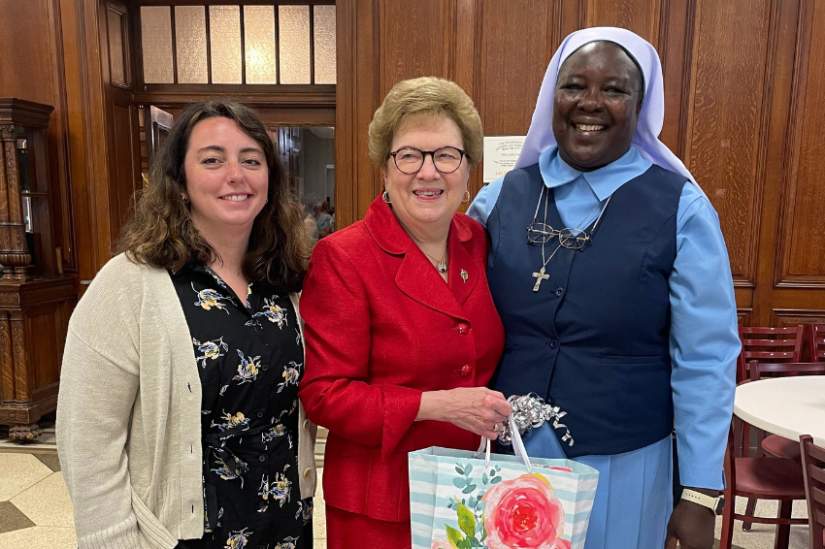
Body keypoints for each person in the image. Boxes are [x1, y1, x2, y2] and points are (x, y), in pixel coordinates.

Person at [469, 27, 740, 549]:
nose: (590, 103)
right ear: (553, 96)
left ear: (639, 105)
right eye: (574, 86)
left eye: (614, 90)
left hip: (628, 462)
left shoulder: (679, 207)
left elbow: (705, 358)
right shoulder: (498, 199)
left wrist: (701, 491)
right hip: (505, 460)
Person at [57, 101, 316, 549]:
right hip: (184, 533)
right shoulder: (130, 284)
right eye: (212, 160)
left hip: (285, 524)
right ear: (179, 183)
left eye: (251, 160)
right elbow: (88, 440)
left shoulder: (284, 281)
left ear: (270, 181)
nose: (235, 174)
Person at [298, 77, 512, 548]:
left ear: (468, 168)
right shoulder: (344, 256)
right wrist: (438, 405)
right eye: (410, 155)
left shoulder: (477, 243)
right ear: (385, 170)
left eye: (445, 155)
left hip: (471, 490)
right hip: (382, 503)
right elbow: (324, 394)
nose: (428, 172)